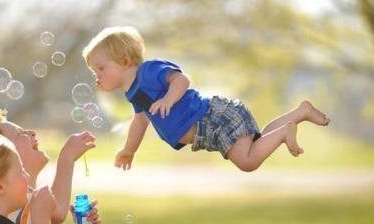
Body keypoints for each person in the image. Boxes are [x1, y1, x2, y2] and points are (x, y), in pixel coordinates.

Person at [82, 26, 330, 172]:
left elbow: (181, 79)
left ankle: (287, 130)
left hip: (213, 118)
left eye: (101, 68)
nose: (97, 76)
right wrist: (128, 150)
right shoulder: (134, 91)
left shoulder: (149, 71)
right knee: (257, 143)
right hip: (210, 127)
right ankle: (300, 113)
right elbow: (139, 122)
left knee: (248, 162)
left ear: (125, 61)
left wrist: (169, 98)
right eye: (94, 72)